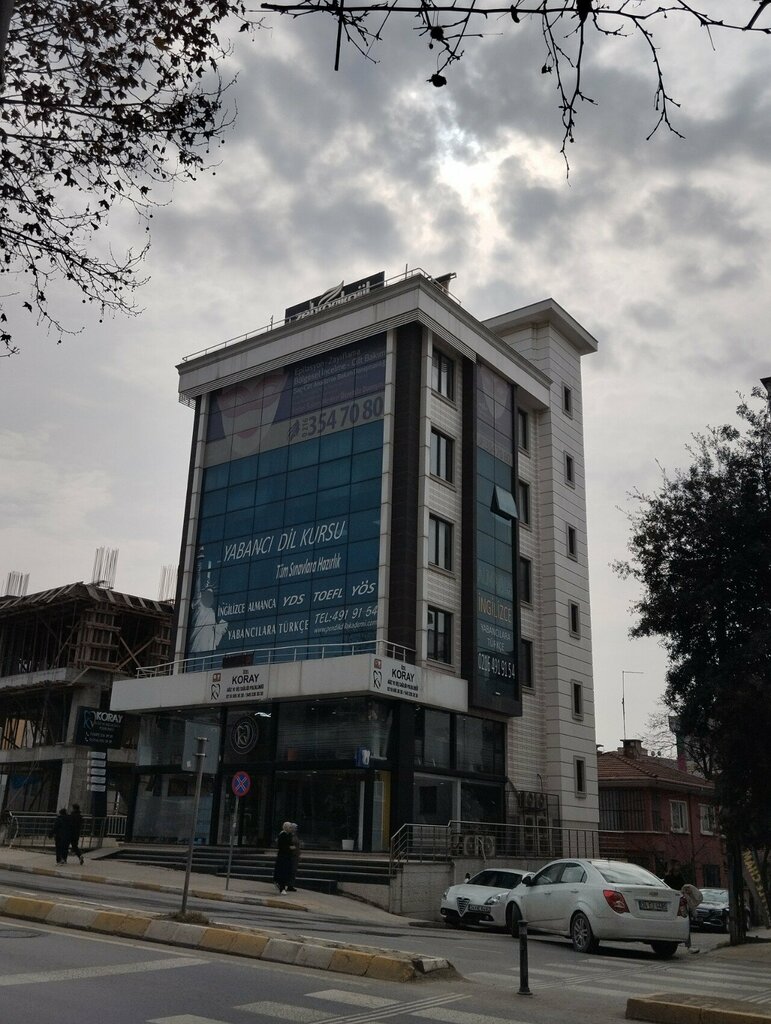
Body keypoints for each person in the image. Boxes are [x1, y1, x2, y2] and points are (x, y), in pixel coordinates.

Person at [273, 821, 294, 894]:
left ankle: (282, 886)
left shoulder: (289, 835)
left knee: (286, 871)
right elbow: (281, 846)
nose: (291, 829)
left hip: (287, 856)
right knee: (282, 871)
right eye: (290, 827)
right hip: (283, 856)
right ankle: (282, 887)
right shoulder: (283, 835)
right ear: (286, 828)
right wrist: (289, 847)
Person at [681, 882, 703, 953]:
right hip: (682, 913)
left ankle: (688, 946)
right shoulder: (684, 896)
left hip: (684, 913)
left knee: (686, 928)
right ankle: (688, 946)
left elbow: (692, 905)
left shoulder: (687, 897)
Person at [287, 822, 301, 892]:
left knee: (293, 871)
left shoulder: (295, 836)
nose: (296, 829)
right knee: (290, 871)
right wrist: (294, 848)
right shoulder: (289, 835)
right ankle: (288, 884)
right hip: (291, 856)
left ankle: (291, 885)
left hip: (295, 856)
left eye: (296, 828)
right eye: (295, 828)